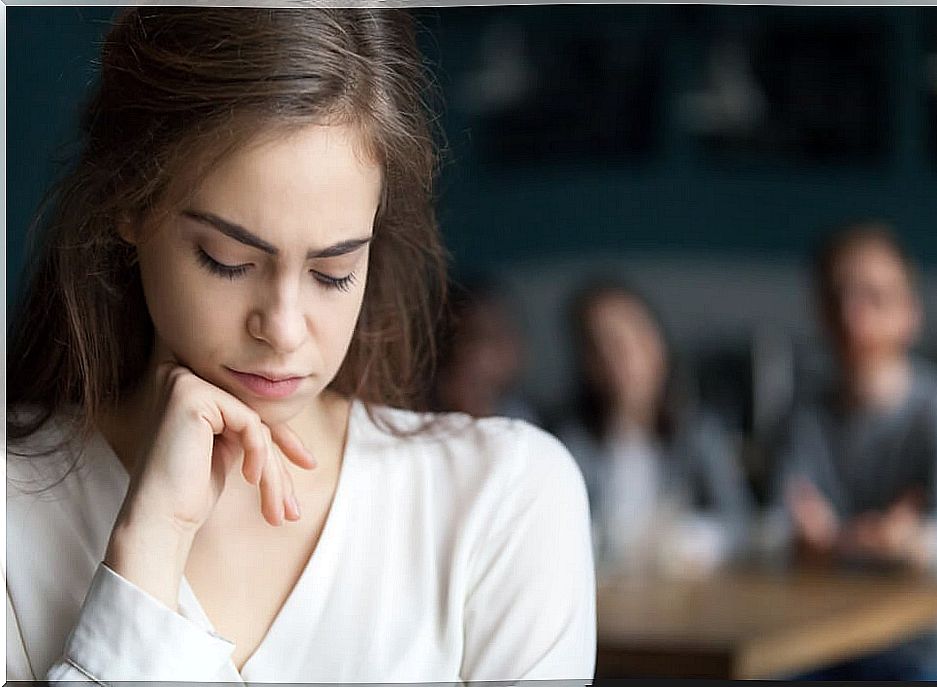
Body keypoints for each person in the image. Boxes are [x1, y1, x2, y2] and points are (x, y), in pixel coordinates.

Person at [5, 9, 595, 683]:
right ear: (130, 206)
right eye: (227, 259)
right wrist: (149, 547)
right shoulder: (14, 508)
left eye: (333, 271)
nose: (283, 330)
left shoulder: (503, 503)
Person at [774, 221, 937, 680]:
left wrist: (919, 541)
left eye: (875, 296)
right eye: (839, 297)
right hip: (822, 637)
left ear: (910, 313)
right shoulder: (803, 418)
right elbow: (784, 528)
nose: (854, 316)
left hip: (928, 640)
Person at [556, 280, 752, 576]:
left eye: (629, 338)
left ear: (657, 342)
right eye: (600, 345)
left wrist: (700, 539)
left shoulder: (699, 432)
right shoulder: (569, 442)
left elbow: (741, 519)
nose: (619, 358)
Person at [431, 278, 540, 423]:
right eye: (489, 336)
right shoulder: (426, 423)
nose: (505, 347)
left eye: (509, 332)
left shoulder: (520, 413)